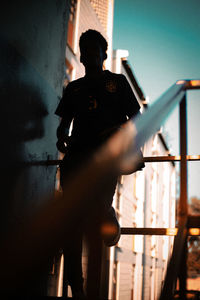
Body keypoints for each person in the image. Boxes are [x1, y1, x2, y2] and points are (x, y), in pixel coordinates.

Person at [55, 29, 144, 299]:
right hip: (76, 161)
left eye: (96, 49)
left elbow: (135, 118)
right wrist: (62, 139)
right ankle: (77, 288)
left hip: (105, 159)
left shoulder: (117, 82)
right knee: (69, 224)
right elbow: (63, 125)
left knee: (94, 212)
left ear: (104, 54)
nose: (90, 54)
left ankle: (107, 212)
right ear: (81, 56)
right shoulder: (74, 88)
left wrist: (132, 147)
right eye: (86, 49)